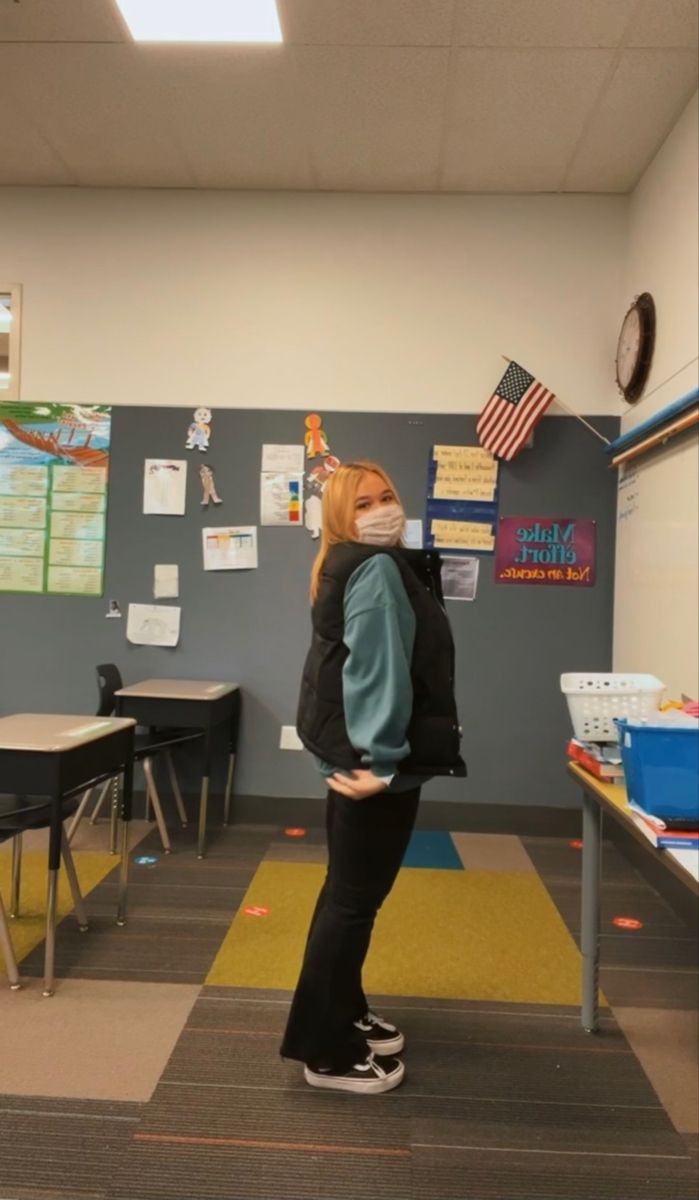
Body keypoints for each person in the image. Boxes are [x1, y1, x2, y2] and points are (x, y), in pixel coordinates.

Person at [280, 460, 466, 1094]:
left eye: (387, 496)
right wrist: (382, 763)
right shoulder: (378, 570)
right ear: (340, 517)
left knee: (349, 895)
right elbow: (374, 674)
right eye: (363, 504)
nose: (382, 509)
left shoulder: (352, 563)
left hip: (360, 763)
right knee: (353, 903)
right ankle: (325, 1050)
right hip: (373, 771)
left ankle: (345, 1009)